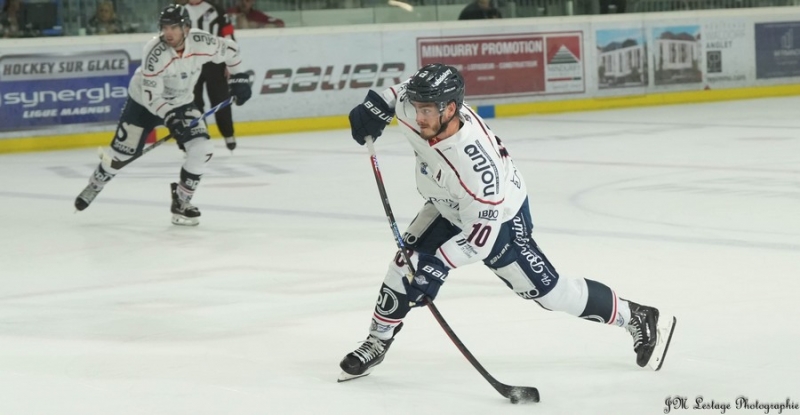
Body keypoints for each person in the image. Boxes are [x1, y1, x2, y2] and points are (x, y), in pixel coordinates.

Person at [338, 64, 676, 382]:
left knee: (549, 293)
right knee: (404, 264)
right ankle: (377, 341)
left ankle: (636, 316)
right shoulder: (418, 107)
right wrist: (373, 107)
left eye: (428, 109)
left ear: (451, 109)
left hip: (498, 218)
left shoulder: (477, 167)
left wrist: (437, 266)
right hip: (446, 203)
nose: (418, 115)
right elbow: (400, 93)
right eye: (417, 107)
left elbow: (479, 239)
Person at [73, 4, 252, 226]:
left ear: (186, 28)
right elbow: (151, 96)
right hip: (143, 105)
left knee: (202, 149)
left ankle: (181, 202)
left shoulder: (202, 42)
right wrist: (169, 117)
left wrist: (238, 78)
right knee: (120, 155)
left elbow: (232, 50)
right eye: (165, 27)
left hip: (183, 103)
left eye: (174, 27)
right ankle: (96, 183)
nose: (168, 33)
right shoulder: (154, 52)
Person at [179, 0, 239, 152]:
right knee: (193, 104)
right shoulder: (180, 11)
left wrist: (229, 61)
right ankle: (200, 139)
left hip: (214, 63)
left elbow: (228, 36)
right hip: (190, 64)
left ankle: (228, 134)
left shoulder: (216, 9)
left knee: (220, 100)